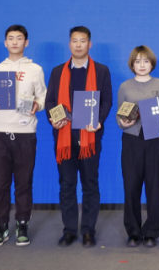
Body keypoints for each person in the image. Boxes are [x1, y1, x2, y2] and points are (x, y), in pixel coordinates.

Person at [45, 26, 112, 248]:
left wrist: (99, 120)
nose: (78, 45)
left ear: (89, 44)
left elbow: (107, 100)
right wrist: (53, 119)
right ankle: (70, 231)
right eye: (74, 41)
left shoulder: (101, 71)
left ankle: (88, 231)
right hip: (64, 137)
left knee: (90, 184)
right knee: (67, 184)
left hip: (90, 137)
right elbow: (50, 101)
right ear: (69, 44)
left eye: (83, 41)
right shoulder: (58, 71)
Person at [0, 25, 47, 247]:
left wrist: (37, 105)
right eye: (11, 38)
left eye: (19, 38)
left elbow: (43, 96)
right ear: (5, 43)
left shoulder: (35, 69)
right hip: (0, 132)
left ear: (26, 43)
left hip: (25, 134)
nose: (15, 42)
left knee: (23, 183)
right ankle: (1, 226)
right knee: (0, 184)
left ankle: (22, 224)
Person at [116, 46, 159, 248]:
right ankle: (133, 232)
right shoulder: (124, 86)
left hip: (155, 140)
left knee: (154, 186)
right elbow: (119, 116)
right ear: (132, 64)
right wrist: (124, 123)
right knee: (131, 186)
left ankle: (151, 232)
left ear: (152, 63)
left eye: (146, 61)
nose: (142, 65)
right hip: (131, 140)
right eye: (137, 61)